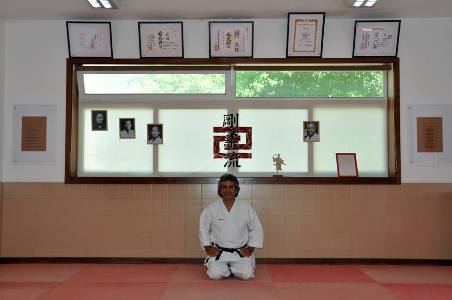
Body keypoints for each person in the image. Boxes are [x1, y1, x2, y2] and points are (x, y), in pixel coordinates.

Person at [199, 173, 263, 280]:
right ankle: (227, 268)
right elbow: (203, 227)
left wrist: (250, 248)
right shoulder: (212, 208)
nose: (227, 190)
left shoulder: (246, 208)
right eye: (224, 187)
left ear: (236, 190)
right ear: (219, 190)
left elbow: (256, 228)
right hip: (219, 252)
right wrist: (208, 247)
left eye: (231, 187)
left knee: (246, 275)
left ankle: (232, 268)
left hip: (239, 252)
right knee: (214, 275)